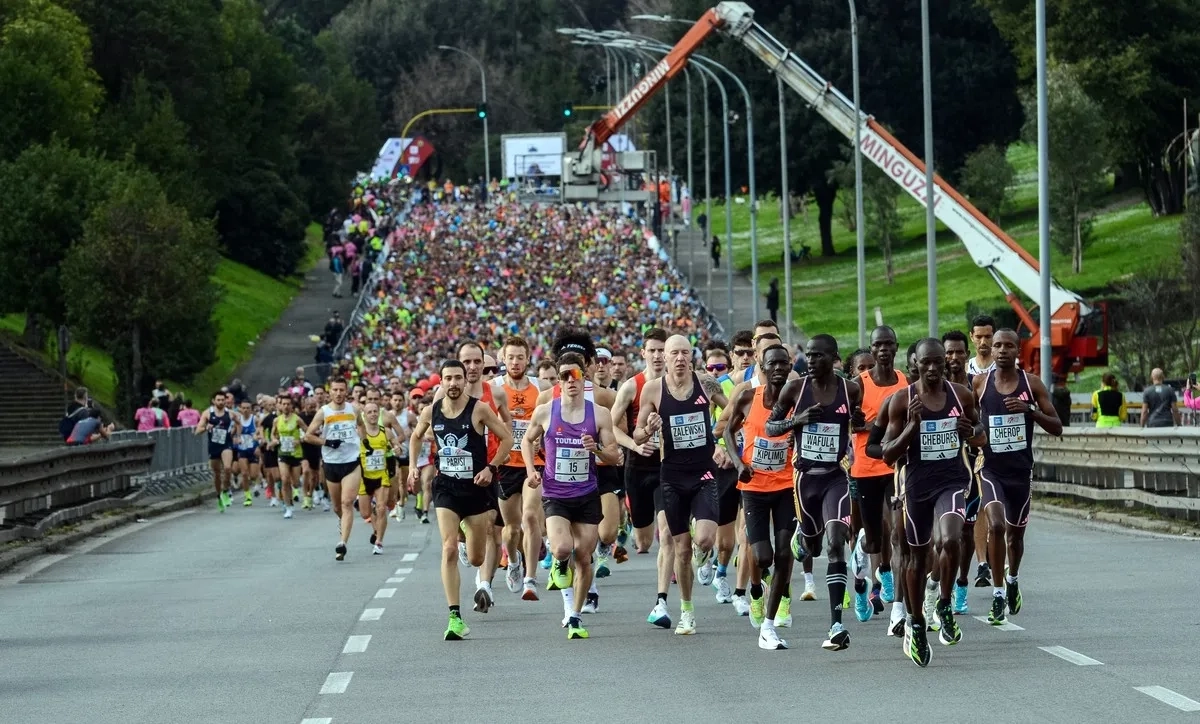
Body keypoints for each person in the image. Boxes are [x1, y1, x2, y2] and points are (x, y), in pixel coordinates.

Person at [881, 338, 986, 667]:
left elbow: (981, 436)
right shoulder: (902, 400)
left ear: (945, 363)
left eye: (937, 362)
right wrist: (911, 428)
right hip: (916, 486)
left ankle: (943, 603)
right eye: (925, 362)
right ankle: (915, 622)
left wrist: (970, 432)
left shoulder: (961, 395)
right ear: (915, 363)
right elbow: (887, 453)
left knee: (951, 539)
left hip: (951, 481)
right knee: (916, 558)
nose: (932, 368)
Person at [765, 334, 864, 651]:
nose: (810, 360)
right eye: (807, 355)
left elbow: (856, 422)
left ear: (834, 358)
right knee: (812, 545)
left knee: (837, 543)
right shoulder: (796, 388)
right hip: (805, 478)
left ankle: (836, 625)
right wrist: (798, 420)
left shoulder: (850, 389)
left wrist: (858, 421)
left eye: (817, 355)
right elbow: (771, 427)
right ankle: (802, 536)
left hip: (835, 476)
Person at [407, 359, 513, 641]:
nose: (453, 383)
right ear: (440, 382)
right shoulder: (432, 411)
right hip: (447, 489)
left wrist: (491, 468)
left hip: (476, 489)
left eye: (458, 378)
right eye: (448, 379)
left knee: (477, 556)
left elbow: (507, 439)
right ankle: (454, 617)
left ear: (466, 380)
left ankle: (467, 537)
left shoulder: (479, 409)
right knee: (449, 548)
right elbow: (415, 438)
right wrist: (411, 468)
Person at [632, 334, 730, 635]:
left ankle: (705, 558)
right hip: (672, 477)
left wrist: (719, 433)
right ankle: (687, 610)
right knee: (682, 550)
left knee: (704, 540)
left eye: (684, 353)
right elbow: (636, 435)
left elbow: (733, 409)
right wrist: (648, 430)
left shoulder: (706, 384)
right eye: (674, 353)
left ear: (692, 356)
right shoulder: (653, 389)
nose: (678, 358)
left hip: (703, 474)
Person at [523, 352, 622, 639]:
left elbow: (615, 456)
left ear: (584, 377)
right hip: (556, 494)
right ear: (559, 381)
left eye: (575, 375)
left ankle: (575, 616)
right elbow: (527, 441)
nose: (570, 381)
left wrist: (597, 450)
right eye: (564, 375)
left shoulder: (599, 414)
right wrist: (532, 471)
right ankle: (558, 564)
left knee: (584, 557)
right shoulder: (545, 410)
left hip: (587, 493)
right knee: (563, 548)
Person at [973, 329, 1062, 624]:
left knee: (1015, 537)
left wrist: (1030, 411)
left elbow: (1057, 426)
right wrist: (974, 437)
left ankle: (1012, 579)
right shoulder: (980, 385)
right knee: (996, 526)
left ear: (1018, 350)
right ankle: (998, 594)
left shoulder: (1031, 384)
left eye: (1008, 345)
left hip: (1020, 472)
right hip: (991, 470)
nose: (1000, 350)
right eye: (997, 345)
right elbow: (970, 424)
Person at [719, 344, 797, 650]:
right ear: (761, 367)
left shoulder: (795, 399)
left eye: (783, 364)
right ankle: (754, 591)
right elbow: (726, 430)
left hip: (786, 486)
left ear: (790, 366)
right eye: (772, 364)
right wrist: (739, 464)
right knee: (762, 556)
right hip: (753, 489)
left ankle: (769, 626)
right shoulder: (747, 396)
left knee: (784, 554)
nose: (778, 368)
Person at [850, 326, 908, 628]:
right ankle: (861, 568)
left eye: (888, 344)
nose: (883, 349)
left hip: (896, 469)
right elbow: (845, 421)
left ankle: (898, 609)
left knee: (897, 534)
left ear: (896, 347)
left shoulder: (905, 382)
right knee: (874, 541)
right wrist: (861, 423)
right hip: (866, 468)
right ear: (871, 350)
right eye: (877, 344)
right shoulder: (857, 385)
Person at [304, 378, 364, 561]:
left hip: (352, 461)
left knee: (347, 503)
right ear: (330, 392)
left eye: (342, 390)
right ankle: (342, 521)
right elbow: (308, 435)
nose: (338, 393)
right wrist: (327, 442)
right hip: (331, 463)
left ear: (347, 391)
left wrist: (362, 441)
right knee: (337, 506)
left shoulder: (354, 409)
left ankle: (342, 543)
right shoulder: (324, 412)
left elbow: (361, 425)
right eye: (335, 390)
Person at [357, 401, 392, 555]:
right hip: (364, 477)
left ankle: (379, 542)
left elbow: (398, 444)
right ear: (364, 415)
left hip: (381, 476)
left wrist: (396, 447)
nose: (372, 414)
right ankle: (376, 528)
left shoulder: (385, 431)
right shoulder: (359, 433)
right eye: (369, 412)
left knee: (381, 508)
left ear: (378, 413)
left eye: (375, 411)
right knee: (365, 513)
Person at [195, 391, 237, 512]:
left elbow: (238, 424)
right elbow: (197, 431)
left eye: (223, 400)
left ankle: (225, 490)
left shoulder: (230, 414)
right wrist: (206, 427)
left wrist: (236, 434)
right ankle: (219, 496)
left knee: (228, 468)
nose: (221, 402)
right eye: (218, 400)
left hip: (226, 444)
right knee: (217, 474)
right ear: (213, 401)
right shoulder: (208, 413)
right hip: (213, 446)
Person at [272, 395, 303, 519]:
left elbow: (307, 432)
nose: (285, 406)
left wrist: (299, 440)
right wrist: (274, 440)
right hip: (283, 453)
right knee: (284, 479)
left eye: (288, 404)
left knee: (295, 483)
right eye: (283, 404)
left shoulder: (297, 419)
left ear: (291, 406)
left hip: (295, 454)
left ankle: (295, 489)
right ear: (280, 405)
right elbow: (273, 435)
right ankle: (288, 506)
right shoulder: (276, 420)